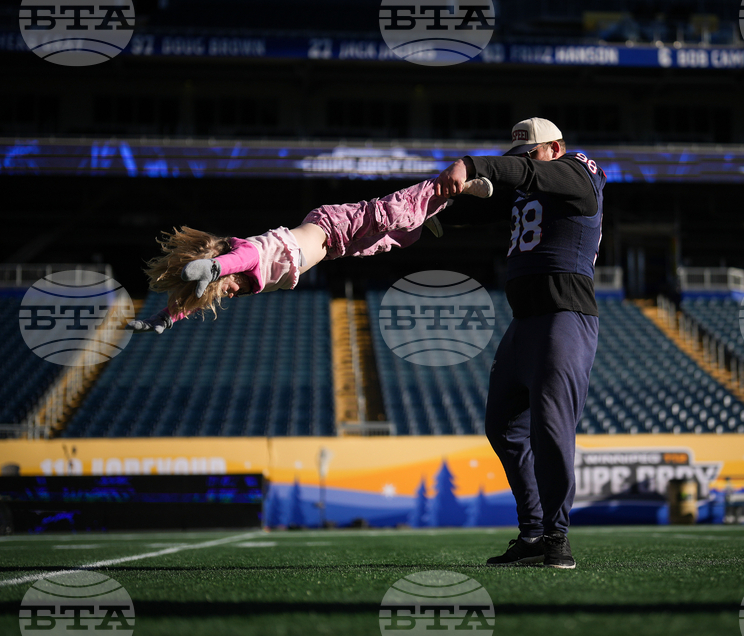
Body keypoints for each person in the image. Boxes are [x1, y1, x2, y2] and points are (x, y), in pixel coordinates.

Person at [435, 117, 606, 569]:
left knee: (549, 429)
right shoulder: (538, 178)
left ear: (556, 148)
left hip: (562, 317)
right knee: (505, 427)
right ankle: (532, 534)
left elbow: (529, 174)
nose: (526, 163)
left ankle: (556, 537)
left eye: (532, 153)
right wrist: (447, 193)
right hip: (525, 322)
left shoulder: (578, 171)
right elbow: (507, 183)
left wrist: (470, 163)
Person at [127, 177, 492, 332]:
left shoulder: (245, 254)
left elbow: (233, 263)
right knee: (395, 240)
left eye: (224, 286)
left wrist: (214, 267)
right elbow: (198, 297)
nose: (229, 292)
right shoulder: (237, 276)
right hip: (336, 247)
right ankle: (430, 215)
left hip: (332, 224)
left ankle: (453, 185)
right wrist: (167, 316)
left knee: (391, 212)